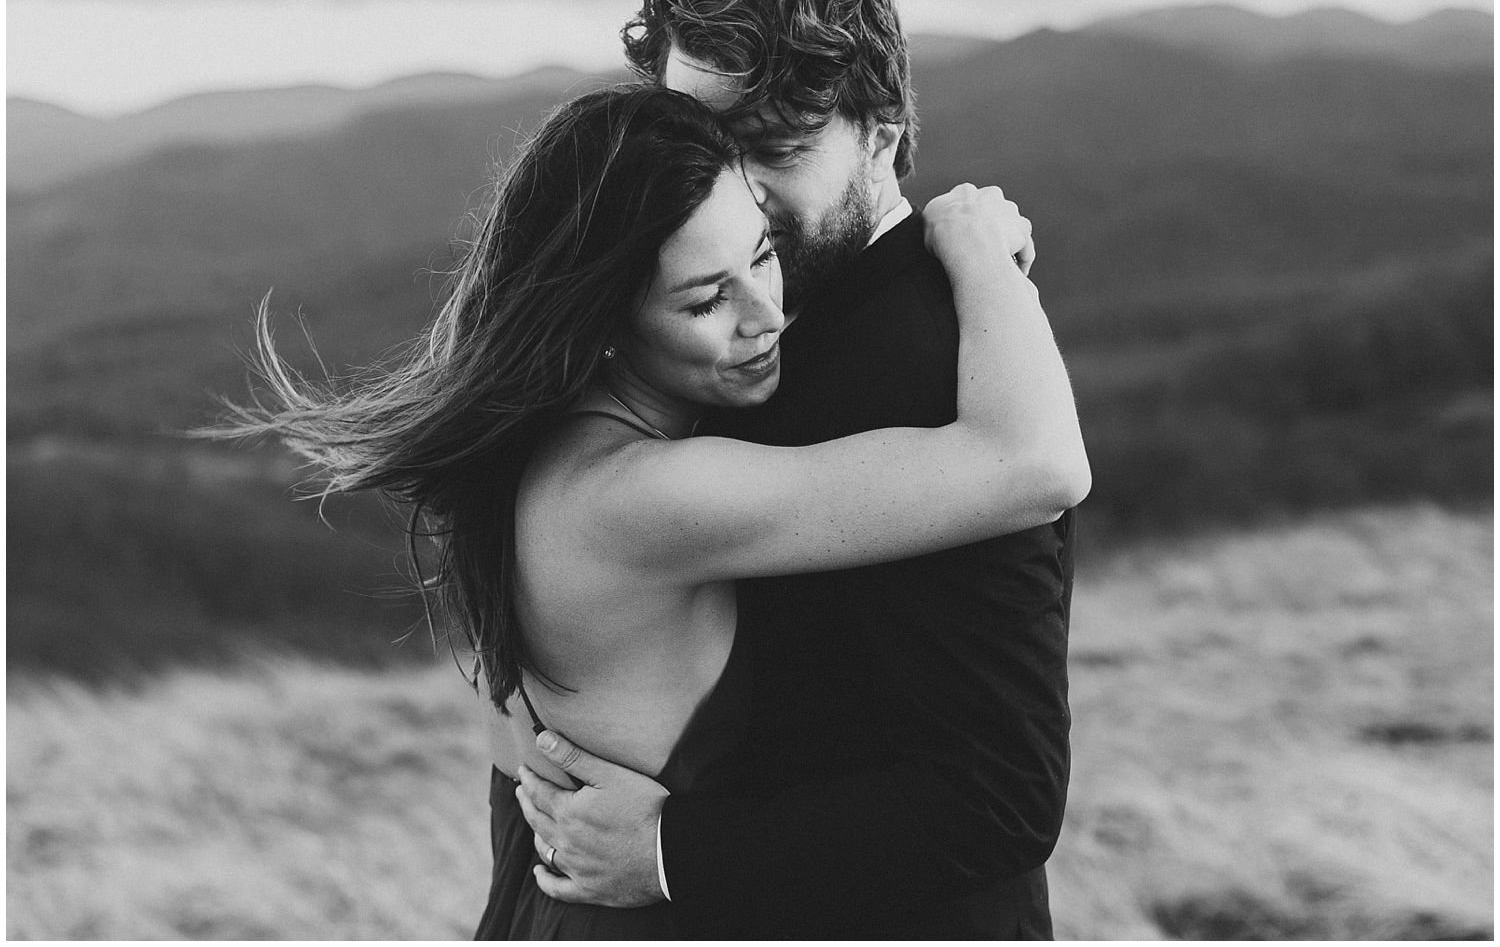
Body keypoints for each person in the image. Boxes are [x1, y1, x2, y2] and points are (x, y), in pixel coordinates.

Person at [216, 82, 1085, 938]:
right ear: (604, 320)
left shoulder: (534, 448)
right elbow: (1031, 464)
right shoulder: (649, 499)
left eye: (762, 255)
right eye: (707, 301)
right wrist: (978, 251)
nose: (767, 316)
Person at [514, 0, 1083, 938]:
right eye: (702, 140)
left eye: (774, 148)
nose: (733, 187)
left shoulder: (928, 365)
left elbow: (1002, 791)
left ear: (884, 135)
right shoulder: (725, 326)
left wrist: (666, 849)